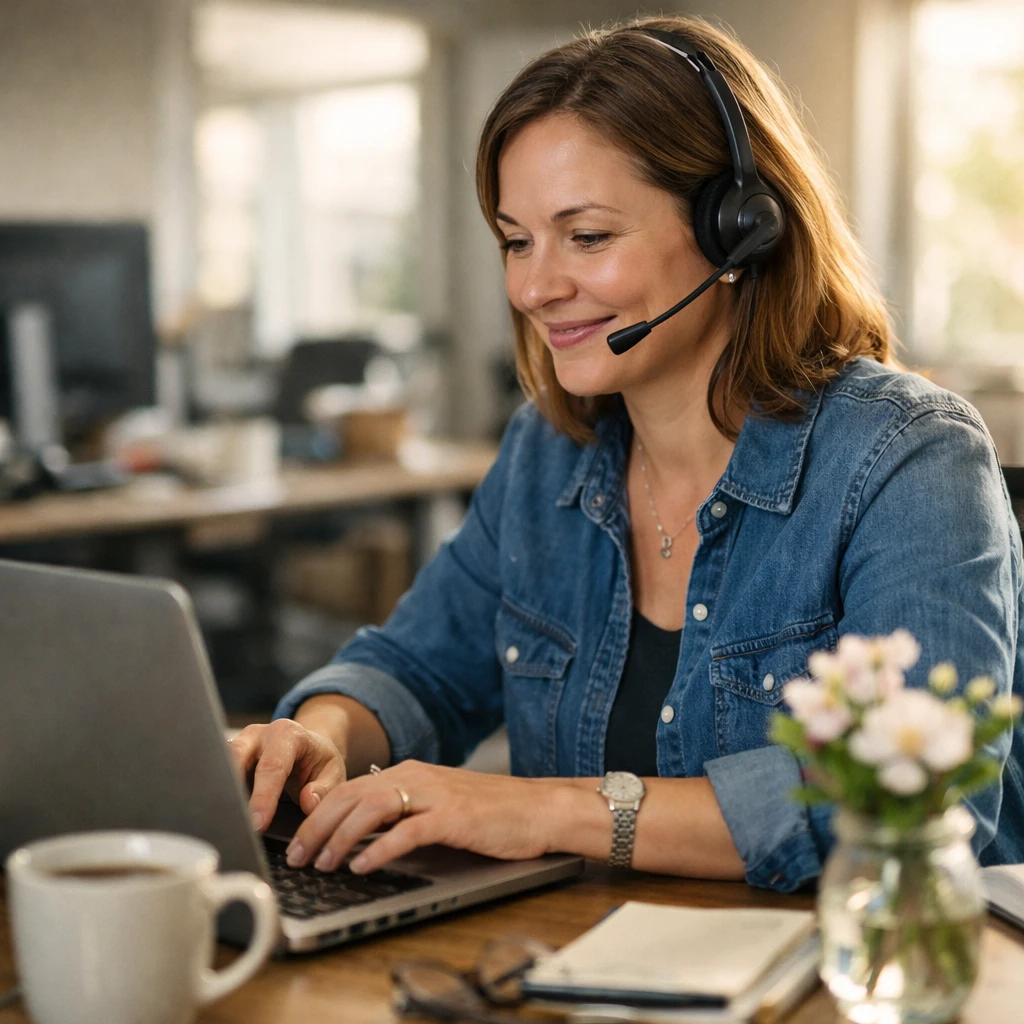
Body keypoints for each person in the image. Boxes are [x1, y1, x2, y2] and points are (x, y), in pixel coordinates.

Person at [230, 15, 1024, 891]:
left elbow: (909, 802)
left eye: (589, 236)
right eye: (517, 240)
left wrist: (538, 810)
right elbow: (421, 666)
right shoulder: (549, 450)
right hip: (587, 968)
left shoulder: (908, 460)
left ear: (738, 228)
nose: (535, 287)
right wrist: (324, 732)